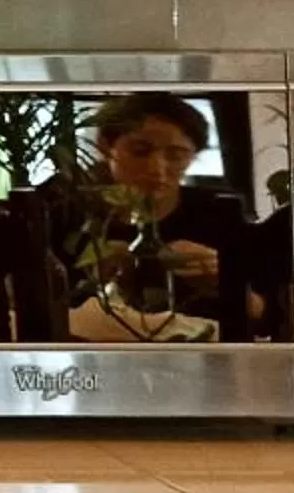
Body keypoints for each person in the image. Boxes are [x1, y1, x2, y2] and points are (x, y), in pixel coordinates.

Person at [67, 91, 270, 343]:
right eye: (140, 151)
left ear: (193, 155)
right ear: (106, 146)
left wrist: (229, 284)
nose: (157, 169)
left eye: (176, 155)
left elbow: (268, 318)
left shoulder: (219, 213)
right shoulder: (70, 213)